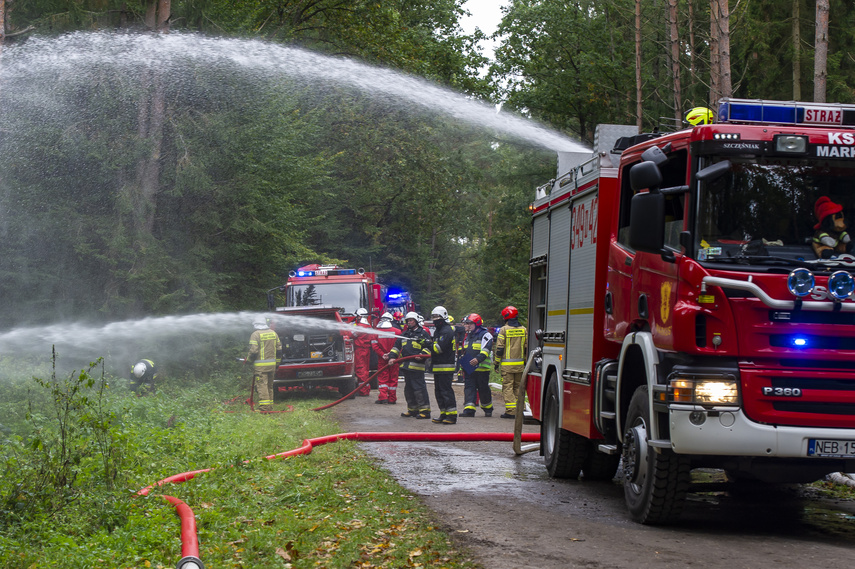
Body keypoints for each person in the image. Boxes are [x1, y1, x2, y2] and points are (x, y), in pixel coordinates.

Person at [385, 311, 432, 419]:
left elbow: (429, 346)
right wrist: (392, 357)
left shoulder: (422, 333)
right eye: (408, 321)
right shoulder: (404, 334)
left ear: (416, 321)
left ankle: (425, 411)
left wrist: (422, 355)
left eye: (411, 320)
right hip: (406, 366)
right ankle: (412, 409)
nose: (409, 322)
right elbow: (396, 347)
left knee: (419, 389)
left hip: (417, 366)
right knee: (408, 390)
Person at [494, 306, 528, 419]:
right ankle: (521, 409)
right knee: (518, 387)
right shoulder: (524, 329)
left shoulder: (504, 330)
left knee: (507, 387)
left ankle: (511, 411)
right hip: (520, 366)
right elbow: (526, 347)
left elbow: (499, 348)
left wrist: (496, 363)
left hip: (507, 366)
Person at [459, 313, 494, 417]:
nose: (467, 326)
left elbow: (486, 349)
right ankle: (469, 409)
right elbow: (465, 352)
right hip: (470, 368)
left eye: (470, 323)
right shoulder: (468, 336)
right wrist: (462, 366)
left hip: (482, 368)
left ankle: (488, 408)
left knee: (483, 389)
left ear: (477, 324)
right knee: (469, 388)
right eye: (466, 324)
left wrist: (478, 359)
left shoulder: (485, 334)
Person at [429, 306, 458, 424]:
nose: (435, 320)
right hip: (438, 366)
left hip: (446, 366)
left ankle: (451, 416)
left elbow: (438, 348)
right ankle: (444, 413)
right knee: (439, 391)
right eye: (433, 318)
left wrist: (427, 344)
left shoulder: (446, 331)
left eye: (437, 318)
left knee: (446, 391)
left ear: (443, 318)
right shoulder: (439, 331)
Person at [247, 316, 282, 412]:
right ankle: (269, 406)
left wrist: (249, 360)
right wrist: (277, 364)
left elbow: (253, 351)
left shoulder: (255, 334)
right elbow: (279, 350)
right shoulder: (273, 333)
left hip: (260, 367)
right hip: (272, 366)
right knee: (269, 386)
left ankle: (264, 408)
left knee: (262, 386)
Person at [371, 312, 401, 404]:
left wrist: (382, 354)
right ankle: (392, 398)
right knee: (393, 378)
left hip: (382, 359)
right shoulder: (398, 332)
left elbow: (374, 345)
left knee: (383, 378)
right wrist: (392, 354)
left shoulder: (376, 332)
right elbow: (400, 346)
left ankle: (383, 397)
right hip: (394, 359)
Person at [353, 307, 374, 396]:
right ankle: (365, 389)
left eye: (357, 316)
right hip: (366, 350)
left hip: (360, 350)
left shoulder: (360, 327)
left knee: (360, 369)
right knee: (365, 370)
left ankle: (363, 391)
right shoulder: (368, 326)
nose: (356, 318)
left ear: (360, 316)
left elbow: (351, 334)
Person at [451, 314, 466, 383]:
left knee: (461, 362)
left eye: (463, 322)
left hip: (463, 348)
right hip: (462, 347)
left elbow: (456, 328)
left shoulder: (463, 329)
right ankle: (461, 378)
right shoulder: (466, 329)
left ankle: (462, 378)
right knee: (460, 362)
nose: (462, 324)